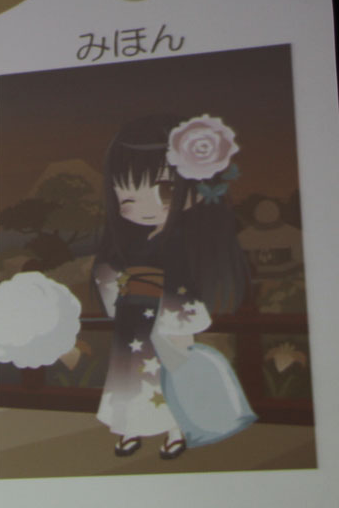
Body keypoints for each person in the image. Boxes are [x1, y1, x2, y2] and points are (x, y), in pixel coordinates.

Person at [91, 115, 251, 459]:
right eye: (127, 194)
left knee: (173, 378)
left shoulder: (184, 240)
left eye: (163, 189)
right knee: (129, 376)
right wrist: (117, 291)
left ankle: (176, 431)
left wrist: (178, 325)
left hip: (168, 317)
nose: (146, 206)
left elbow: (184, 283)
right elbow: (108, 272)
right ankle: (129, 429)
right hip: (132, 316)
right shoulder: (124, 242)